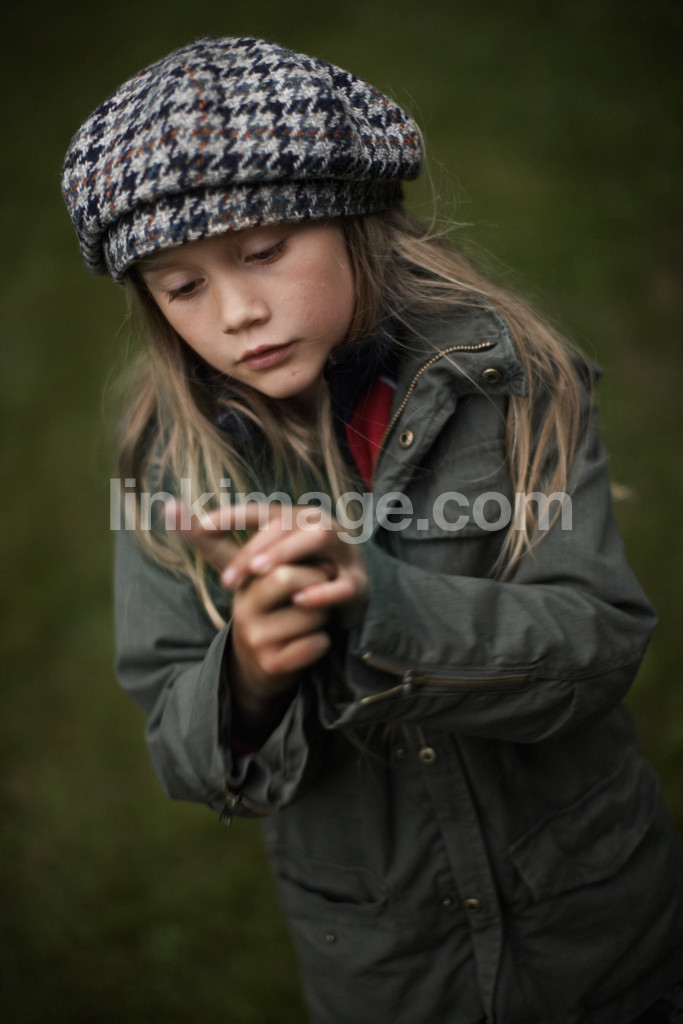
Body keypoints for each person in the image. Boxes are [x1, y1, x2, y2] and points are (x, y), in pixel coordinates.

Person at [62, 36, 683, 1024]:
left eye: (262, 251)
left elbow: (598, 643)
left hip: (601, 935)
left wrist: (382, 604)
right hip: (389, 973)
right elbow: (182, 750)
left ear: (355, 216)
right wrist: (249, 674)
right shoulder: (171, 469)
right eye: (183, 287)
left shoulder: (512, 381)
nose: (237, 311)